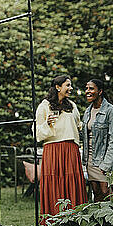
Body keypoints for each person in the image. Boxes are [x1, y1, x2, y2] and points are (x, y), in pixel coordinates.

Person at [35, 75, 86, 218]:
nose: (70, 88)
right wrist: (47, 124)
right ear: (58, 87)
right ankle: (54, 218)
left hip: (70, 148)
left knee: (72, 181)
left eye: (70, 85)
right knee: (54, 182)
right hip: (53, 149)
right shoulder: (44, 106)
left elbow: (79, 125)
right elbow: (37, 132)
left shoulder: (72, 106)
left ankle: (75, 219)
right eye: (67, 85)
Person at [82, 78, 113, 202]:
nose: (87, 91)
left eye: (91, 88)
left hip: (104, 160)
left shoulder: (111, 111)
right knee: (96, 193)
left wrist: (106, 164)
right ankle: (99, 220)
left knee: (106, 193)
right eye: (86, 88)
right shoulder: (88, 111)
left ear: (100, 91)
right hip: (90, 159)